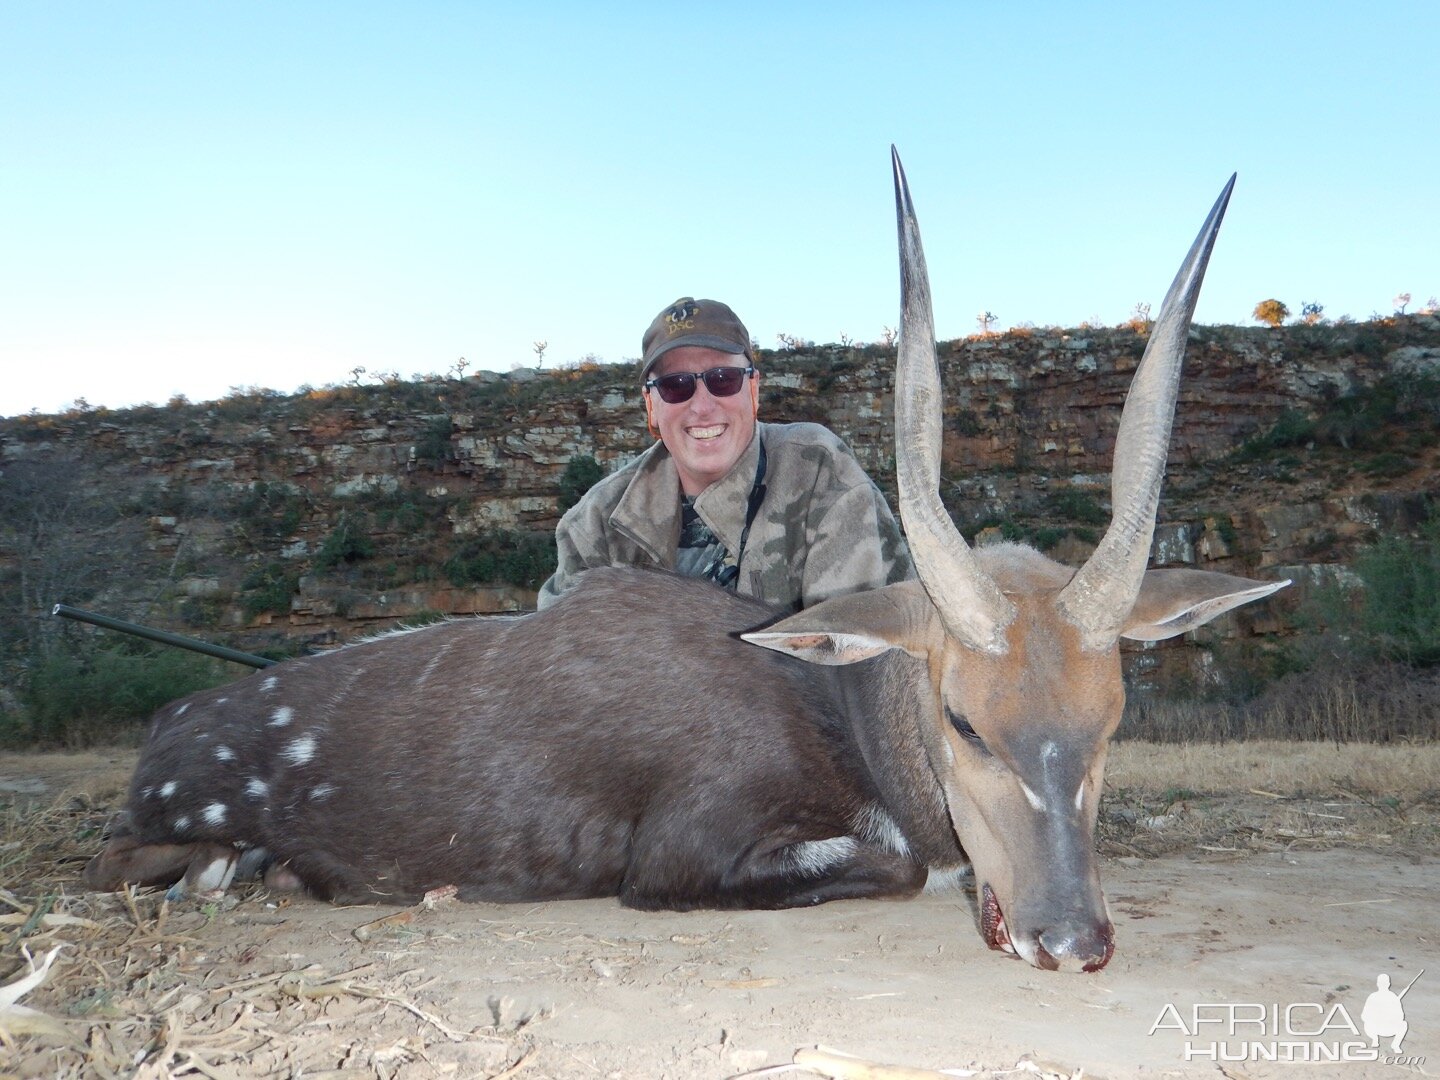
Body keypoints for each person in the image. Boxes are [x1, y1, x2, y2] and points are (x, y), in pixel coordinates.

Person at [537, 297, 913, 611]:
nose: (702, 407)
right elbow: (558, 675)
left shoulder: (820, 472)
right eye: (675, 386)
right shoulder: (594, 525)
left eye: (723, 380)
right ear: (651, 407)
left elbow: (856, 670)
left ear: (753, 390)